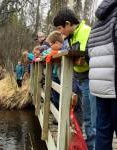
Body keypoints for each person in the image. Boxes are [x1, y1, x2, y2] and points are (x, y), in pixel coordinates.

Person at [53, 7, 96, 150]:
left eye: (60, 28)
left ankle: (92, 146)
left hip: (91, 79)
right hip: (79, 79)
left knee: (92, 119)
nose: (60, 32)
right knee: (87, 116)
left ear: (68, 23)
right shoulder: (69, 37)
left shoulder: (88, 32)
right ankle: (90, 145)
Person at [87, 0, 117, 149]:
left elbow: (88, 53)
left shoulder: (97, 23)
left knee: (102, 135)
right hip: (114, 87)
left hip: (100, 89)